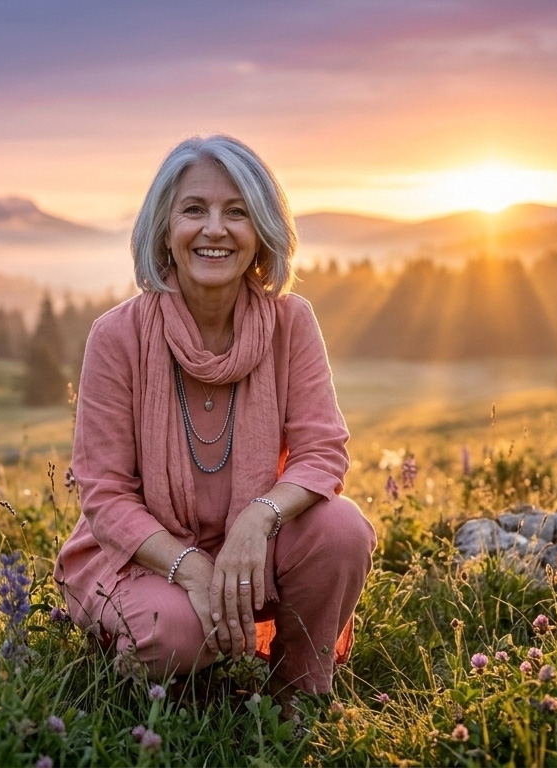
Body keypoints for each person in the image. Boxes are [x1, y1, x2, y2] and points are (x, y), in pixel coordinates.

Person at [53, 134, 376, 706]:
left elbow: (322, 452)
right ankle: (165, 685)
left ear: (261, 234)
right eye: (194, 210)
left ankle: (295, 696)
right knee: (175, 632)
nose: (215, 229)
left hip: (253, 551)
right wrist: (191, 569)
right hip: (147, 558)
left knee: (342, 529)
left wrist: (257, 519)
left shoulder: (291, 322)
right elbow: (104, 495)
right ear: (164, 230)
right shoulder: (116, 336)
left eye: (237, 212)